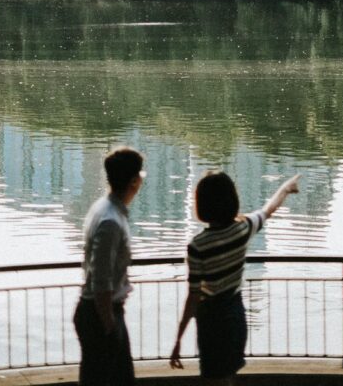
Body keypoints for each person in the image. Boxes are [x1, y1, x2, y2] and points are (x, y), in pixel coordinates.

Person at [170, 170, 300, 383]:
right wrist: (286, 188)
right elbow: (269, 209)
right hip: (235, 314)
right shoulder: (244, 228)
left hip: (211, 320)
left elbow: (193, 297)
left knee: (213, 378)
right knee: (228, 376)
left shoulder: (197, 246)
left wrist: (178, 340)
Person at [74, 147, 145, 386]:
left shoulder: (104, 209)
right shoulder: (110, 221)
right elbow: (102, 280)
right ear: (134, 181)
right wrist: (109, 326)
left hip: (101, 312)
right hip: (101, 314)